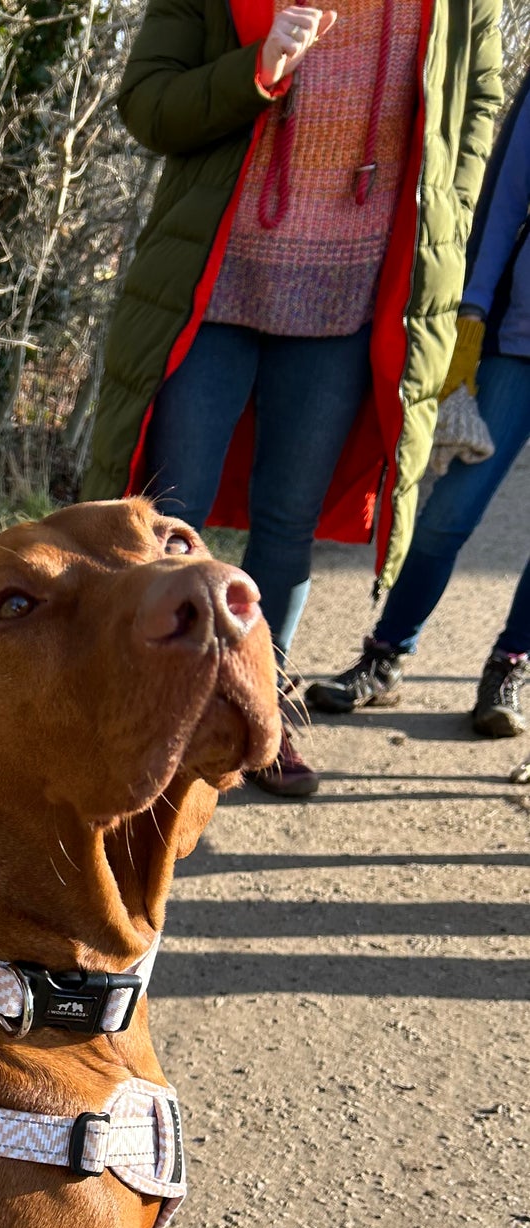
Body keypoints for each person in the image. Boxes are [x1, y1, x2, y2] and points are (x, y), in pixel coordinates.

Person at [83, 0, 503, 798]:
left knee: (288, 523)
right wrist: (257, 70)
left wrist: (450, 189)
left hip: (349, 298)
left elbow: (476, 99)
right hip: (209, 290)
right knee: (165, 515)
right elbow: (147, 103)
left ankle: (255, 717)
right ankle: (129, 714)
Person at [306, 70, 530, 739]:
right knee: (447, 515)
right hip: (514, 341)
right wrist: (472, 309)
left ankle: (507, 666)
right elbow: (505, 199)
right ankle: (385, 653)